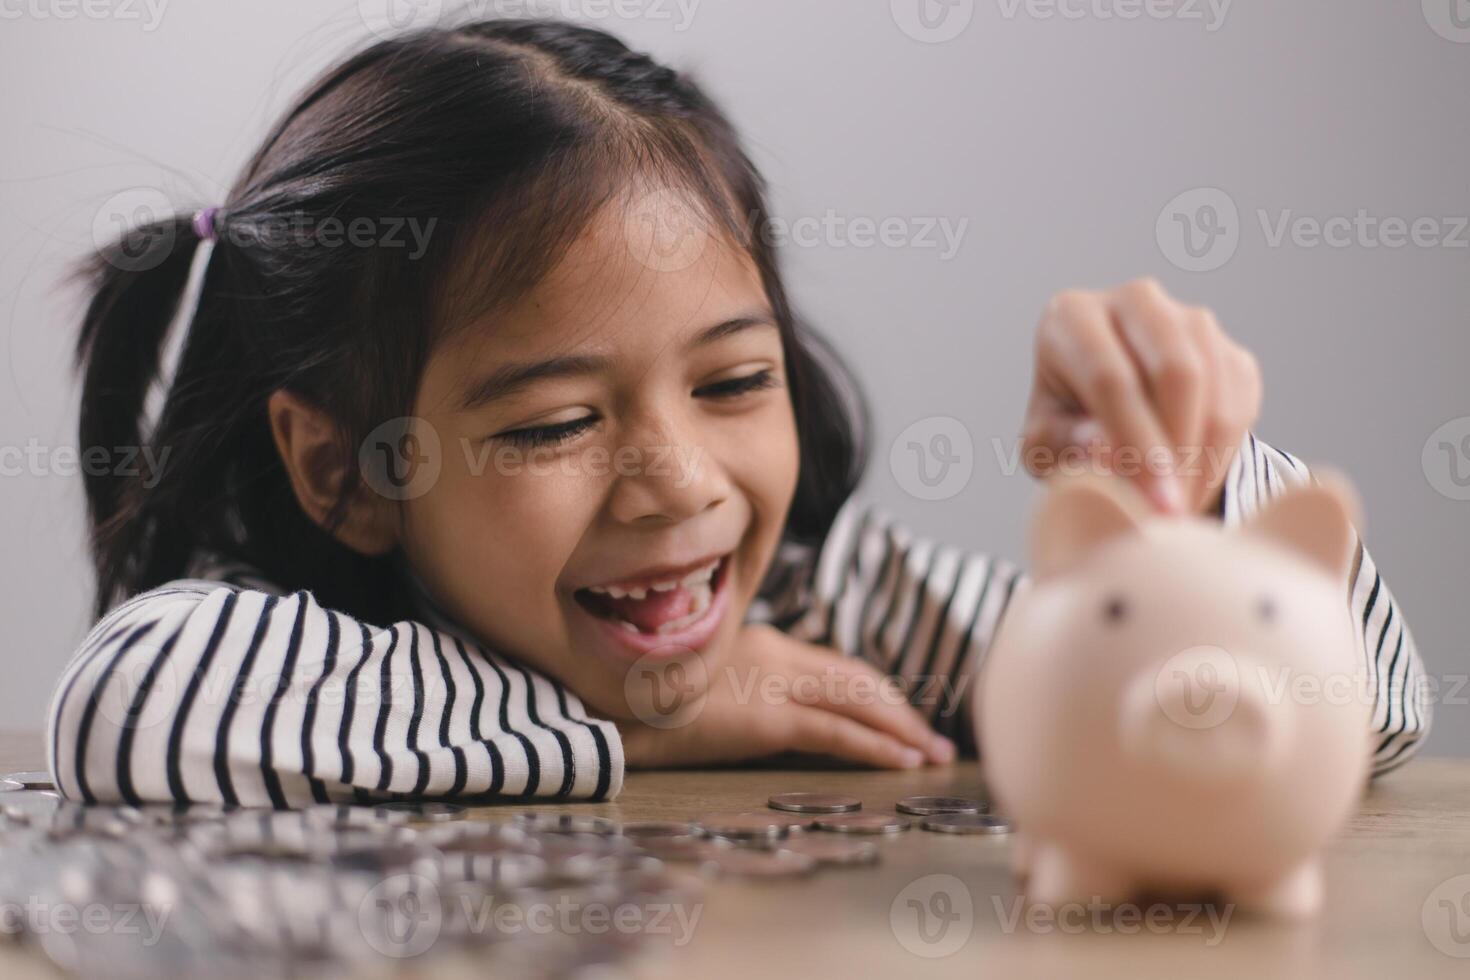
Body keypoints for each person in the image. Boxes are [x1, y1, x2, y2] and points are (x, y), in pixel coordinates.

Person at [47, 19, 1428, 808]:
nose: (673, 482)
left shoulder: (839, 608)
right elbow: (127, 707)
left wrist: (1179, 511)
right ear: (345, 471)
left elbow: (1350, 716)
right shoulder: (289, 647)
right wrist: (642, 728)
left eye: (730, 382)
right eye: (548, 424)